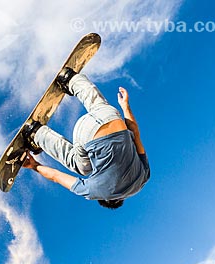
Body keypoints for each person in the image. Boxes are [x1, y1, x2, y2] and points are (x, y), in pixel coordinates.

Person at [21, 68, 150, 209]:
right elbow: (56, 176)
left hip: (113, 118)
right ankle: (36, 133)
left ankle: (71, 79)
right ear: (105, 199)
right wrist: (34, 165)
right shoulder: (95, 191)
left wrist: (125, 106)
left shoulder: (144, 177)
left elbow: (135, 133)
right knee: (82, 168)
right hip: (86, 132)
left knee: (98, 105)